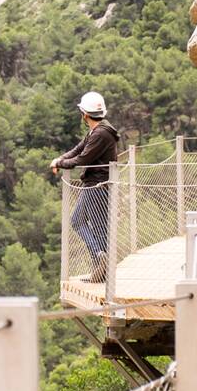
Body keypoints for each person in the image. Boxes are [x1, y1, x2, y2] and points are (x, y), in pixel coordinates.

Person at [50, 92, 120, 283]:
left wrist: (61, 164)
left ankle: (99, 258)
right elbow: (78, 149)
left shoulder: (101, 133)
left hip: (97, 185)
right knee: (87, 223)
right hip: (96, 184)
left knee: (90, 224)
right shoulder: (97, 130)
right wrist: (59, 159)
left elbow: (82, 159)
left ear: (85, 114)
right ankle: (101, 267)